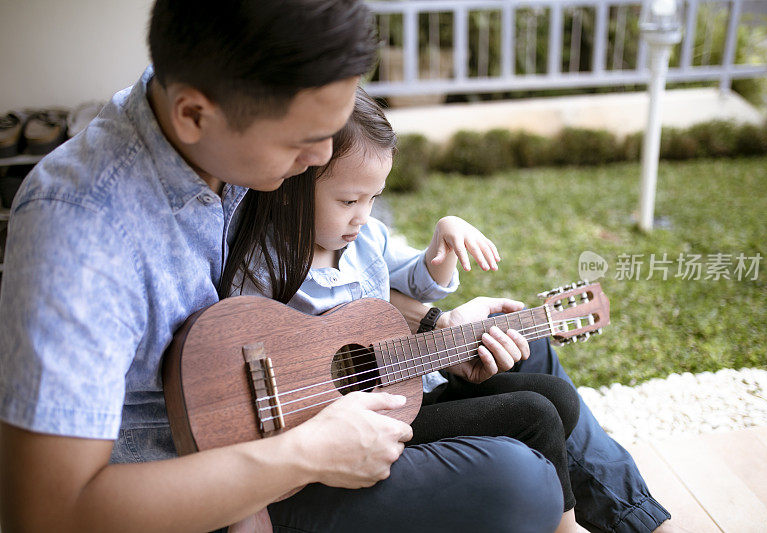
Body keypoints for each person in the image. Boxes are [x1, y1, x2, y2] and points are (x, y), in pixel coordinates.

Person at [0, 1, 674, 532]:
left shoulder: (231, 135)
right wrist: (307, 453)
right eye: (306, 141)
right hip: (206, 490)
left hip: (307, 406)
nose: (325, 156)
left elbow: (328, 294)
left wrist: (440, 324)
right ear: (194, 114)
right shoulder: (82, 230)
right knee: (517, 480)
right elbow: (48, 513)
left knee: (528, 355)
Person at [228, 87, 582, 531]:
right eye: (348, 201)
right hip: (351, 432)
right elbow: (240, 351)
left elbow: (419, 280)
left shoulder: (366, 239)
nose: (362, 215)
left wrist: (444, 242)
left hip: (407, 391)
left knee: (558, 397)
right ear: (290, 184)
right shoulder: (263, 268)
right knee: (535, 415)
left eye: (373, 198)